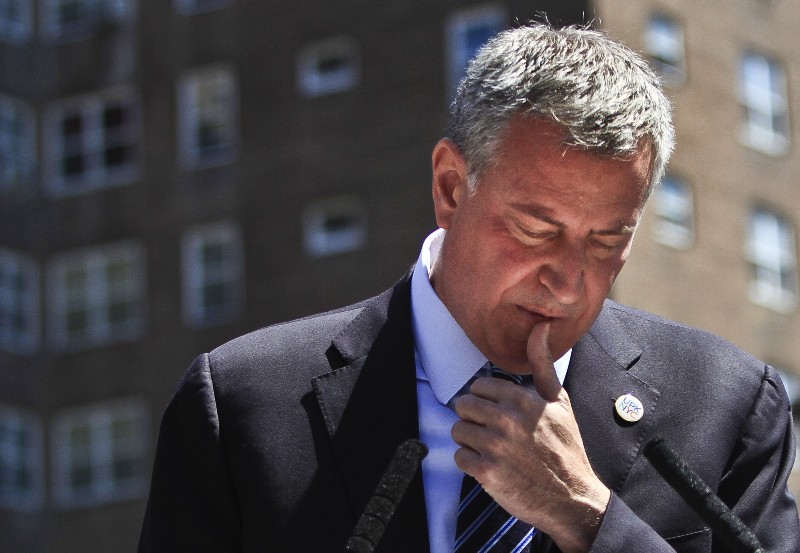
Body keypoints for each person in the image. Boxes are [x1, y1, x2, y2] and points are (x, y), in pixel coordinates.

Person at [138, 23, 800, 553]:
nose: (568, 281)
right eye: (537, 229)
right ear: (451, 186)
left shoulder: (730, 408)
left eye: (606, 242)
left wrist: (590, 520)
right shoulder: (242, 407)